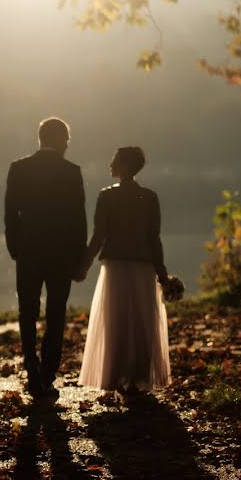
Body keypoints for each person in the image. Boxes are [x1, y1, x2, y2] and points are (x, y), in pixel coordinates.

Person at [76, 146, 171, 392]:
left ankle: (117, 374)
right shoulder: (150, 197)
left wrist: (84, 265)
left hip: (115, 266)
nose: (110, 163)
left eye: (114, 160)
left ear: (125, 165)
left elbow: (99, 236)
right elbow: (153, 237)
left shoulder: (107, 196)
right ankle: (138, 375)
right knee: (142, 321)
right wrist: (162, 273)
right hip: (143, 266)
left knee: (116, 320)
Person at [5, 117, 87, 397]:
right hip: (61, 254)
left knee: (27, 311)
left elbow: (10, 213)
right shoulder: (72, 171)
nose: (67, 144)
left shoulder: (19, 169)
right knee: (56, 313)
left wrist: (14, 247)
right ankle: (49, 373)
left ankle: (31, 364)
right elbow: (79, 219)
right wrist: (79, 257)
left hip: (28, 251)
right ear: (59, 139)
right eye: (66, 140)